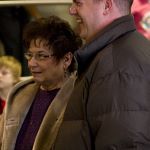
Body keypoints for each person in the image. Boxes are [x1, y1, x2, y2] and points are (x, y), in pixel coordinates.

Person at [52, 0, 150, 149]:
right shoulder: (116, 54)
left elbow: (125, 144)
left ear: (107, 5)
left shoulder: (118, 63)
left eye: (78, 3)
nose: (71, 10)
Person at [0, 15, 82, 150]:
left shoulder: (79, 97)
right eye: (30, 55)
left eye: (41, 56)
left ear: (66, 59)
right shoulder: (18, 94)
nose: (31, 63)